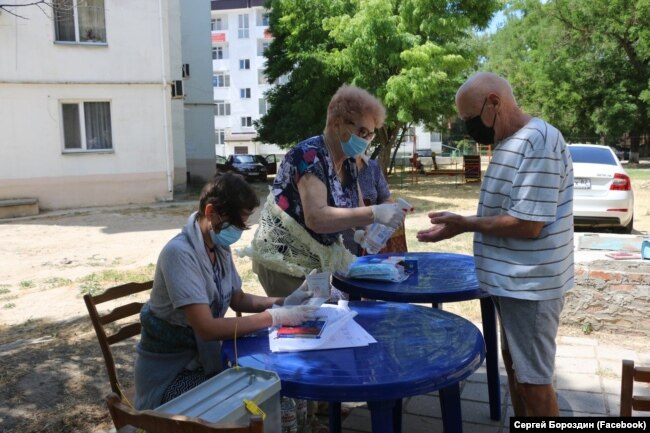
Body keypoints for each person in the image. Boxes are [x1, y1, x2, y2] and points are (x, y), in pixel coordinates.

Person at [417, 72, 574, 417]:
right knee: (517, 371)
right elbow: (509, 212)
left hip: (530, 286)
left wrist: (464, 225)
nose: (468, 128)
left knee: (533, 382)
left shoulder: (539, 141)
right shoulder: (508, 141)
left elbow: (528, 223)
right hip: (511, 284)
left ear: (494, 102)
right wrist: (459, 226)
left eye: (470, 119)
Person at [134, 173, 318, 410]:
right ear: (211, 212)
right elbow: (207, 328)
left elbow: (238, 298)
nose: (240, 231)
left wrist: (284, 301)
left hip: (202, 362)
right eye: (237, 223)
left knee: (277, 389)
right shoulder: (179, 254)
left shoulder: (217, 246)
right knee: (260, 401)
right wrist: (273, 317)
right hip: (169, 377)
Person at [241, 85, 405, 297]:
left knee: (326, 317)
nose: (365, 140)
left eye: (371, 135)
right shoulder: (309, 155)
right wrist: (374, 213)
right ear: (337, 124)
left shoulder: (349, 163)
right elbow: (316, 217)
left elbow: (359, 213)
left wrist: (370, 231)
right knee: (305, 322)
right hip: (284, 261)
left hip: (315, 261)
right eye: (362, 132)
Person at [343, 155, 407, 255]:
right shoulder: (333, 167)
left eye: (367, 137)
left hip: (369, 241)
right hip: (341, 245)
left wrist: (376, 223)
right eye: (361, 137)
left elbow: (386, 200)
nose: (364, 140)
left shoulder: (373, 167)